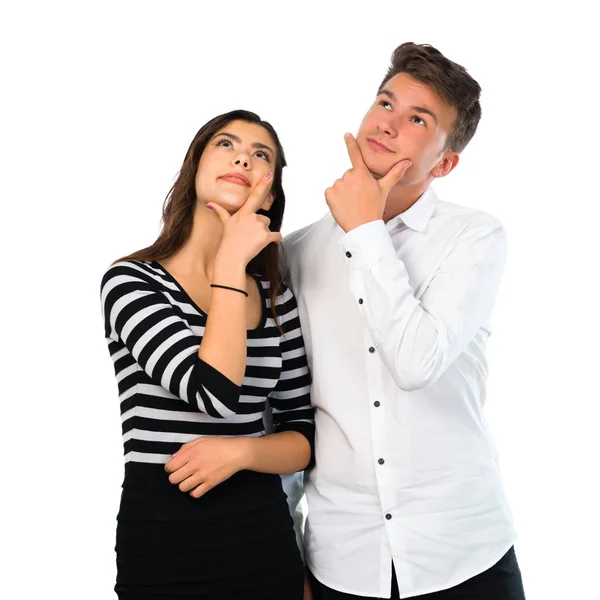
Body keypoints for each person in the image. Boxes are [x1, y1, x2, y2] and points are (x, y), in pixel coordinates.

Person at [282, 43, 526, 599]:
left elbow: (416, 362)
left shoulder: (475, 237)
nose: (388, 124)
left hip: (462, 552)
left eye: (418, 119)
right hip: (344, 558)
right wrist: (284, 547)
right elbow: (288, 409)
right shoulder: (296, 253)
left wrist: (364, 230)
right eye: (385, 103)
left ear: (444, 163)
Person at [100, 109, 314, 600]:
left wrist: (241, 452)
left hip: (263, 537)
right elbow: (214, 391)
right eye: (226, 143)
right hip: (164, 539)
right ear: (195, 164)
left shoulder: (275, 296)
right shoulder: (132, 282)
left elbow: (302, 434)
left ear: (270, 191)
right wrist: (230, 261)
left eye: (262, 155)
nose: (243, 155)